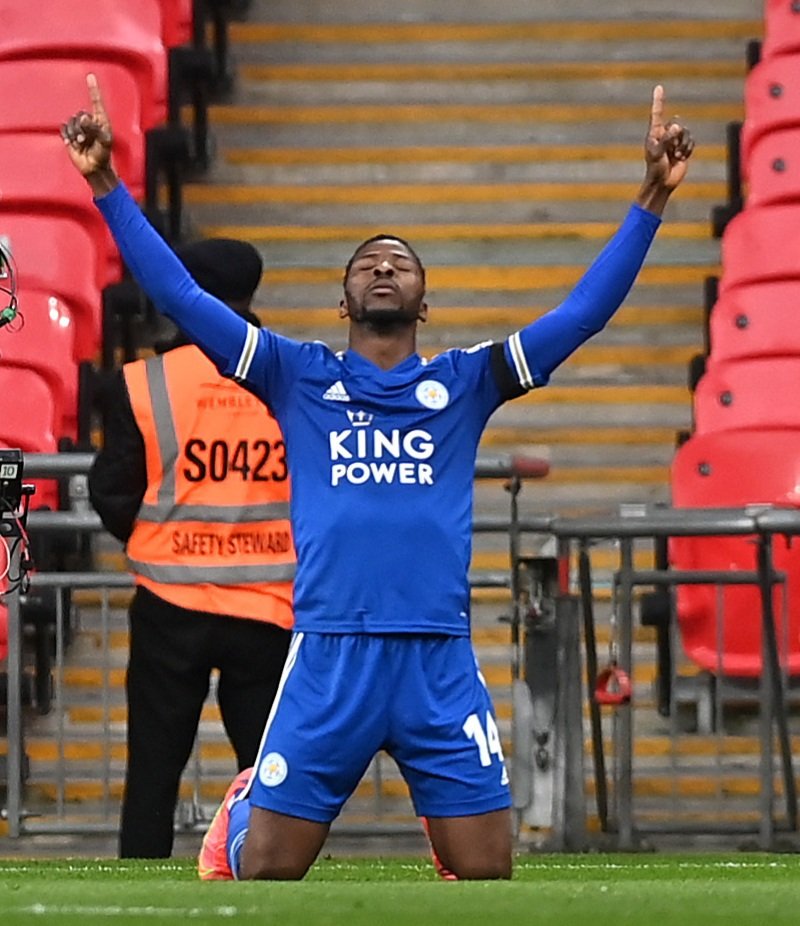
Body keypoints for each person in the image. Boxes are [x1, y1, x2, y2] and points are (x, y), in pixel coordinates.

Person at [62, 75, 693, 879]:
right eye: (368, 265)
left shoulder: (467, 381)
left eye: (400, 264)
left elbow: (581, 315)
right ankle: (245, 814)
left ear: (424, 302)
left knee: (489, 874)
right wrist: (106, 184)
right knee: (266, 875)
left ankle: (438, 818)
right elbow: (182, 295)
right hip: (331, 654)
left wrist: (652, 195)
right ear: (343, 300)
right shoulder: (295, 374)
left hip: (437, 658)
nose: (385, 270)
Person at [88, 237, 295, 858]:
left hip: (170, 603)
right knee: (274, 772)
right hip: (269, 607)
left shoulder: (145, 381)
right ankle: (279, 875)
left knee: (153, 766)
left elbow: (111, 488)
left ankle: (138, 887)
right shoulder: (295, 371)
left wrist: (160, 537)